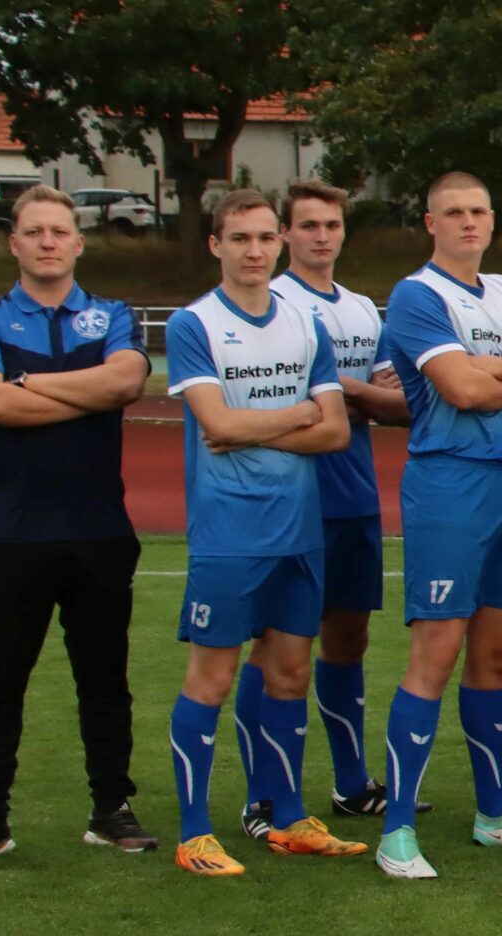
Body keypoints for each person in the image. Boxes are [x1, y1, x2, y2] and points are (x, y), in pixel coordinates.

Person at [373, 171, 502, 878]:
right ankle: (397, 829)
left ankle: (497, 813)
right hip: (451, 484)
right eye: (453, 212)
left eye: (478, 212)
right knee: (435, 655)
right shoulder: (416, 294)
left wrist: (494, 369)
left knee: (497, 656)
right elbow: (456, 388)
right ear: (430, 222)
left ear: (494, 223)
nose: (467, 223)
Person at [161, 189, 364, 875]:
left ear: (279, 241)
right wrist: (299, 413)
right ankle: (194, 833)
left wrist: (266, 423)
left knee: (290, 673)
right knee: (212, 679)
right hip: (228, 534)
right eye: (237, 239)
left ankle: (288, 816)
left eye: (262, 239)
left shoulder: (306, 324)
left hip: (298, 533)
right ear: (215, 244)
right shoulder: (194, 323)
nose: (253, 252)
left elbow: (336, 431)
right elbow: (216, 425)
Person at [0, 185, 152, 864]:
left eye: (58, 231)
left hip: (97, 529)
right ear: (14, 242)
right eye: (33, 231)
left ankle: (111, 807)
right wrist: (77, 393)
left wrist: (27, 384)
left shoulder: (113, 315)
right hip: (11, 532)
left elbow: (124, 384)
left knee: (104, 678)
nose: (46, 242)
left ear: (77, 242)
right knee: (0, 681)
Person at [272, 179, 415, 825]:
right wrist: (357, 393)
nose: (322, 236)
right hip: (290, 496)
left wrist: (343, 393)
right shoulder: (272, 304)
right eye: (308, 226)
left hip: (354, 495)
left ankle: (352, 783)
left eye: (331, 224)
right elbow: (286, 403)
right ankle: (269, 795)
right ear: (285, 235)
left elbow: (402, 404)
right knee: (283, 648)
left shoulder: (361, 308)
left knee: (348, 638)